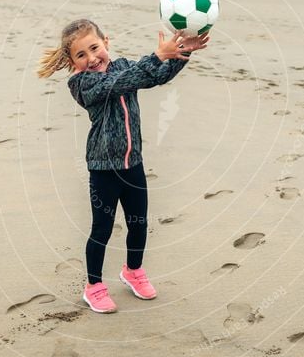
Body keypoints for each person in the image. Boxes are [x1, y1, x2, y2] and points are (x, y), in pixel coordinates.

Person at [38, 20, 209, 313]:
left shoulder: (123, 66)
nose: (91, 58)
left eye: (95, 48)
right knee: (102, 229)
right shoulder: (81, 84)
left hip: (133, 164)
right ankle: (94, 287)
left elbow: (154, 76)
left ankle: (133, 271)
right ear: (72, 62)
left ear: (107, 41)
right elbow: (120, 83)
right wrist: (156, 56)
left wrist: (181, 53)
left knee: (138, 223)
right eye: (81, 55)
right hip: (103, 168)